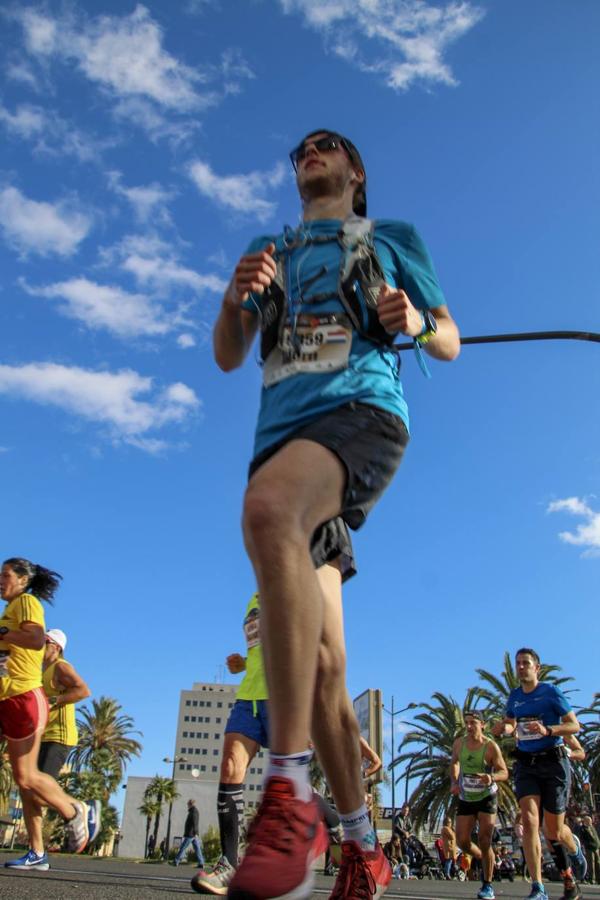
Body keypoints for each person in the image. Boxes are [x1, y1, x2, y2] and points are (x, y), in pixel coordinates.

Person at [213, 127, 460, 900]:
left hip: (361, 414)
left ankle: (288, 795)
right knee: (322, 665)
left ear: (355, 171)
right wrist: (233, 297)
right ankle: (361, 844)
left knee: (265, 512)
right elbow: (228, 353)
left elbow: (448, 339)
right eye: (300, 151)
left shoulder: (393, 238)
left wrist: (414, 320)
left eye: (327, 147)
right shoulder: (269, 247)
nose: (309, 154)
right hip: (283, 441)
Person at [0, 558, 101, 871]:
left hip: (26, 703)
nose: (0, 580)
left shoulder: (26, 602)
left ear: (22, 580)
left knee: (29, 780)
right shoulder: (11, 610)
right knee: (24, 780)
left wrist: (3, 631)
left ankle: (74, 809)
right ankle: (40, 849)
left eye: (5, 575)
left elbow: (33, 637)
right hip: (11, 699)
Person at [492, 647, 586, 900]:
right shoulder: (514, 697)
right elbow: (511, 722)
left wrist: (548, 730)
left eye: (525, 663)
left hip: (553, 763)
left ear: (537, 668)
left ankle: (573, 848)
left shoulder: (551, 692)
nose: (521, 667)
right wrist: (505, 728)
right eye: (518, 663)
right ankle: (538, 887)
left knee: (554, 830)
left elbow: (574, 725)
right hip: (526, 765)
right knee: (530, 821)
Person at [450, 709, 509, 900]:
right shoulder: (459, 744)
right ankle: (483, 857)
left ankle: (487, 884)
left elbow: (504, 772)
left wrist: (491, 777)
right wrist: (455, 781)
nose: (468, 726)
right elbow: (455, 762)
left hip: (486, 797)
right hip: (467, 797)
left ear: (482, 725)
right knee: (462, 841)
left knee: (485, 840)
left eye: (473, 723)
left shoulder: (490, 747)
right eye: (466, 723)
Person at [171, 799, 205, 867]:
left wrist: (195, 832)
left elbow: (195, 822)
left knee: (183, 847)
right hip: (192, 834)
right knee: (197, 848)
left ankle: (176, 861)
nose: (187, 806)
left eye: (188, 804)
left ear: (191, 804)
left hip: (191, 834)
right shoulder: (192, 811)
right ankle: (201, 863)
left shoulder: (194, 812)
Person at [579, 816, 600, 885]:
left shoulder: (592, 827)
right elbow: (582, 839)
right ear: (585, 821)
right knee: (591, 864)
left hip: (596, 848)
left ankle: (598, 878)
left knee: (598, 863)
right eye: (589, 821)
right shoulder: (582, 829)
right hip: (589, 848)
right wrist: (588, 844)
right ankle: (592, 879)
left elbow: (596, 836)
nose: (590, 822)